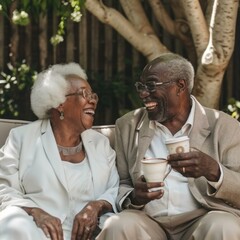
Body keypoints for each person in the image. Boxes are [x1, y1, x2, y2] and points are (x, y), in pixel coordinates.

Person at [96, 53, 240, 240]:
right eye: (141, 86)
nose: (143, 94)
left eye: (151, 86)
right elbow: (122, 182)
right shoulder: (128, 125)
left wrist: (213, 170)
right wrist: (135, 196)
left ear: (180, 86)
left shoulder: (224, 126)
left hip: (204, 217)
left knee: (224, 226)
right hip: (148, 221)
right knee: (119, 225)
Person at [0, 62, 119, 240]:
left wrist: (96, 206)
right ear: (59, 103)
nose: (93, 100)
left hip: (93, 233)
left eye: (93, 95)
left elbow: (114, 189)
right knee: (12, 222)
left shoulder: (100, 143)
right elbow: (3, 188)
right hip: (37, 230)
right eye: (85, 94)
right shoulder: (21, 138)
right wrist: (35, 212)